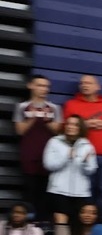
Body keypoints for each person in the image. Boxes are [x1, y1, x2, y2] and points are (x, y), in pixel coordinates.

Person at [62, 75, 102, 211]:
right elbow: (63, 127)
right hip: (82, 155)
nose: (84, 85)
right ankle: (83, 223)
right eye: (82, 83)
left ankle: (100, 224)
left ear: (97, 87)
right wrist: (85, 125)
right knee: (84, 190)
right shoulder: (71, 104)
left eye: (89, 83)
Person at [14, 74, 62, 217]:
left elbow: (58, 130)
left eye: (46, 86)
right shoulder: (21, 107)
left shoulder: (54, 108)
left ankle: (43, 222)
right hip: (29, 154)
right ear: (31, 86)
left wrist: (47, 120)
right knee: (29, 190)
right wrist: (33, 117)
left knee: (45, 191)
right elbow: (20, 130)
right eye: (40, 85)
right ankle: (28, 222)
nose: (44, 89)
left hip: (48, 156)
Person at [43, 114, 97, 227]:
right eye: (68, 123)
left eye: (75, 124)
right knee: (61, 223)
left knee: (79, 225)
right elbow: (48, 165)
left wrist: (84, 163)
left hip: (81, 192)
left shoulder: (87, 145)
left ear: (80, 128)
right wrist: (67, 157)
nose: (70, 126)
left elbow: (91, 170)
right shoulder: (54, 142)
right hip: (58, 191)